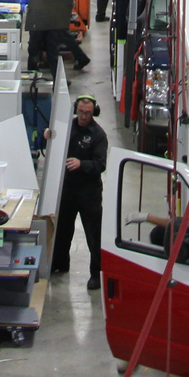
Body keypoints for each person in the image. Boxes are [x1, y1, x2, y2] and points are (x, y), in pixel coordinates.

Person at [50, 95, 108, 290]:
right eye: (81, 112)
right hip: (67, 189)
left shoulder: (98, 135)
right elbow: (55, 145)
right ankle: (60, 263)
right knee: (63, 230)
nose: (84, 116)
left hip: (88, 192)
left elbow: (100, 164)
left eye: (88, 113)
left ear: (94, 113)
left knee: (93, 234)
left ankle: (96, 273)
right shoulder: (67, 127)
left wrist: (81, 164)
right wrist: (49, 137)